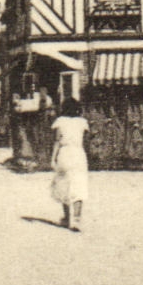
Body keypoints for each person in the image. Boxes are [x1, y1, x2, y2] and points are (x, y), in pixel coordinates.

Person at [49, 96, 90, 231]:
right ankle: (77, 219)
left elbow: (57, 140)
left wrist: (53, 158)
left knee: (64, 184)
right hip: (78, 153)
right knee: (79, 184)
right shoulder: (82, 122)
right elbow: (87, 140)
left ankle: (66, 218)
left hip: (65, 153)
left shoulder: (60, 121)